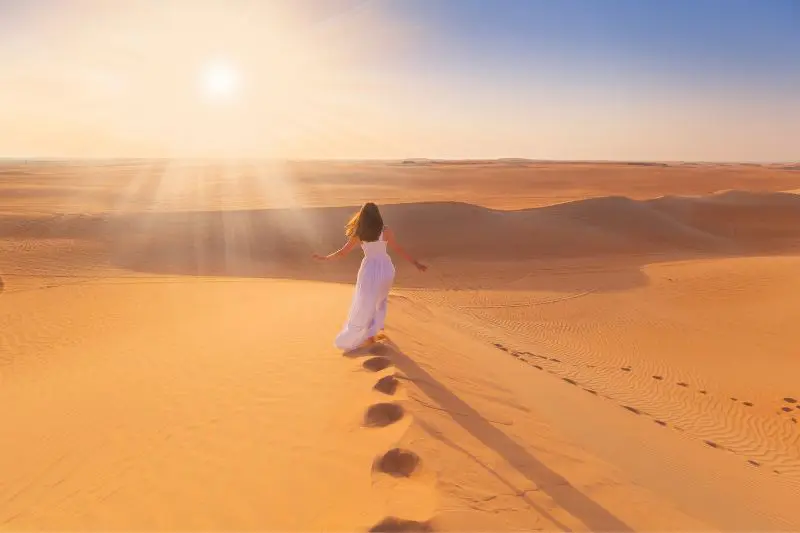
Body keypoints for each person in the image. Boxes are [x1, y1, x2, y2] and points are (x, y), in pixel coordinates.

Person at [313, 202, 427, 351]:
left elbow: (342, 253)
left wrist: (325, 258)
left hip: (369, 269)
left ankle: (369, 334)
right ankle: (373, 331)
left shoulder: (360, 234)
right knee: (380, 300)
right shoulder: (386, 231)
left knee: (366, 300)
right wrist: (415, 263)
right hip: (385, 268)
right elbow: (398, 249)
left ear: (363, 216)